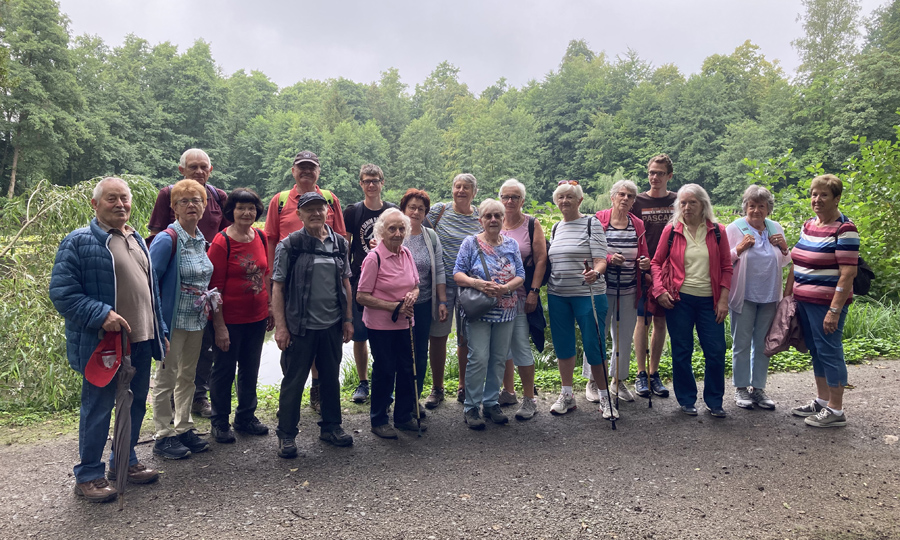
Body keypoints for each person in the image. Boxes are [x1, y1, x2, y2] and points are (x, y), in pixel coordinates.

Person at [50, 177, 167, 502]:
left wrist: (162, 332)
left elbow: (151, 292)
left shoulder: (137, 240)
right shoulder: (79, 242)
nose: (120, 205)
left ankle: (124, 463)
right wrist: (102, 314)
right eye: (112, 199)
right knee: (98, 408)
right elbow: (62, 293)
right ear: (95, 204)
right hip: (104, 344)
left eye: (124, 199)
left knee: (134, 404)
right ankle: (88, 475)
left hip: (141, 340)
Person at [271, 192, 354, 458]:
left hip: (331, 324)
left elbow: (346, 283)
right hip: (300, 326)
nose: (316, 213)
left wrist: (348, 319)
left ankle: (331, 427)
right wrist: (281, 327)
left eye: (321, 209)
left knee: (330, 378)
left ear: (328, 212)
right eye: (310, 210)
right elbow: (278, 287)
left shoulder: (340, 243)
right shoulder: (290, 245)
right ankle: (286, 435)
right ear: (299, 214)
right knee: (294, 381)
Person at [264, 150, 347, 415]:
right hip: (290, 282)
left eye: (312, 168)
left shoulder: (330, 199)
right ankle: (289, 408)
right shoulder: (280, 201)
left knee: (324, 348)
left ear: (318, 172)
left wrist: (347, 313)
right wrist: (271, 287)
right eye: (302, 167)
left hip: (325, 281)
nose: (307, 172)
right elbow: (271, 240)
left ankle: (319, 394)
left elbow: (341, 238)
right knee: (292, 345)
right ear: (293, 171)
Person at [148, 149, 229, 419]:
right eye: (192, 166)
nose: (199, 171)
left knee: (197, 361)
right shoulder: (167, 204)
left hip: (203, 296)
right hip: (176, 301)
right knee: (168, 369)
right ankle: (164, 428)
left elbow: (228, 236)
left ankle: (192, 408)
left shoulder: (219, 198)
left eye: (203, 166)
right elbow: (153, 268)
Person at [148, 179, 219, 458]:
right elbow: (150, 281)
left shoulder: (200, 239)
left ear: (204, 207)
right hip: (172, 319)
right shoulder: (167, 239)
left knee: (188, 376)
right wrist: (158, 323)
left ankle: (184, 427)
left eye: (197, 201)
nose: (191, 205)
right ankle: (163, 435)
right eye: (184, 201)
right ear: (174, 208)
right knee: (166, 377)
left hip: (197, 318)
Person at [651, 184, 732, 417]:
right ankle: (686, 399)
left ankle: (715, 401)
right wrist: (659, 290)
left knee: (716, 350)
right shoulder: (672, 230)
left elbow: (727, 267)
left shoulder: (717, 231)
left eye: (692, 202)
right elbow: (656, 263)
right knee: (682, 349)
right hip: (679, 300)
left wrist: (723, 299)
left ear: (703, 205)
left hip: (710, 300)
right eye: (683, 203)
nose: (686, 207)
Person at [787, 174, 858, 428]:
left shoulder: (845, 229)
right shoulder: (808, 224)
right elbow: (796, 261)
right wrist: (788, 295)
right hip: (804, 302)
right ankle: (822, 400)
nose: (816, 200)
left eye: (823, 195)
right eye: (813, 194)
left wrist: (834, 310)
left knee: (830, 351)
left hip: (826, 304)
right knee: (816, 350)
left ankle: (836, 411)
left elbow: (849, 272)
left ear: (837, 198)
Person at [207, 188, 274, 444]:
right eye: (240, 208)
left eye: (251, 208)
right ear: (231, 212)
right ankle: (220, 421)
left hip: (256, 317)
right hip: (230, 320)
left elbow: (265, 274)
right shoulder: (222, 242)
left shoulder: (259, 235)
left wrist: (268, 308)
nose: (247, 212)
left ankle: (246, 417)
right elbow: (215, 289)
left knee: (250, 368)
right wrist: (220, 326)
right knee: (224, 370)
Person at [546, 181, 615, 420]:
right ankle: (567, 395)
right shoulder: (556, 228)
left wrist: (595, 273)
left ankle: (606, 398)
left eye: (569, 197)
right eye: (561, 197)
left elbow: (601, 259)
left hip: (589, 295)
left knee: (593, 345)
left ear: (579, 200)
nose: (564, 201)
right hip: (558, 295)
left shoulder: (590, 223)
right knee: (563, 346)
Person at [453, 199, 525, 429]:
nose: (493, 220)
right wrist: (478, 284)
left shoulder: (512, 244)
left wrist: (506, 288)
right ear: (480, 220)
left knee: (499, 358)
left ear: (503, 219)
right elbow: (457, 274)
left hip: (506, 311)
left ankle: (491, 402)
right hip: (480, 312)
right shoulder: (470, 243)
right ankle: (471, 406)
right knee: (479, 358)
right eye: (488, 216)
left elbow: (521, 274)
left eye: (497, 215)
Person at [581, 180, 650, 404]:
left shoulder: (637, 224)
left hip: (629, 288)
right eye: (621, 194)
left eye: (630, 196)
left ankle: (617, 381)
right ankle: (592, 381)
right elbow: (588, 251)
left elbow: (644, 252)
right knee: (596, 335)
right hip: (601, 288)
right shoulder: (599, 220)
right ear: (612, 197)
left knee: (623, 337)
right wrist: (609, 259)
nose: (625, 199)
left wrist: (644, 263)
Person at [357, 209, 423, 438]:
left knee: (406, 369)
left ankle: (404, 417)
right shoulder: (373, 258)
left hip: (406, 323)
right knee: (385, 370)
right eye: (392, 228)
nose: (397, 233)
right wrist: (393, 306)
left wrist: (413, 295)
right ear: (381, 231)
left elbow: (415, 284)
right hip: (380, 326)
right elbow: (361, 296)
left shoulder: (406, 254)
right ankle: (379, 419)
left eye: (401, 228)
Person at [725, 185, 791, 410]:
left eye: (761, 206)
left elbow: (784, 260)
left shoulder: (774, 227)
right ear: (745, 207)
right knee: (741, 343)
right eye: (751, 206)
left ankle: (759, 388)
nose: (756, 210)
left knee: (764, 344)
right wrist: (739, 249)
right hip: (743, 295)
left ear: (768, 209)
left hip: (770, 295)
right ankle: (741, 388)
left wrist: (784, 247)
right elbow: (724, 261)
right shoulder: (734, 228)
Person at [424, 173, 482, 408]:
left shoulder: (480, 216)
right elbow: (416, 229)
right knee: (437, 335)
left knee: (466, 337)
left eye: (466, 187)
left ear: (474, 192)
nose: (461, 191)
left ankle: (463, 385)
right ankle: (437, 388)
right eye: (457, 186)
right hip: (441, 284)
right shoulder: (439, 211)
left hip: (470, 286)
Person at [343, 164, 398, 404]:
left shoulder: (392, 211)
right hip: (359, 280)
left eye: (375, 180)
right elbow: (345, 247)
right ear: (361, 184)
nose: (372, 185)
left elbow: (401, 243)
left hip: (388, 282)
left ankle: (385, 382)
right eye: (367, 181)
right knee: (360, 335)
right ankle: (363, 383)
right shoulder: (353, 212)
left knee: (386, 335)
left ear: (382, 183)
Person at [497, 179, 546, 421]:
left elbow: (541, 260)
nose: (509, 201)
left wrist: (534, 291)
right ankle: (508, 391)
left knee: (520, 345)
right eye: (506, 196)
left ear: (522, 200)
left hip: (521, 296)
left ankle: (530, 398)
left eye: (515, 197)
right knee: (502, 347)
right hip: (496, 299)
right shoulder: (494, 220)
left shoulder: (531, 224)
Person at [399, 189, 449, 416]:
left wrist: (442, 301)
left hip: (424, 303)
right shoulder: (396, 232)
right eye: (412, 207)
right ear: (404, 209)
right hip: (397, 306)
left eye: (421, 208)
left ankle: (413, 399)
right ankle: (397, 400)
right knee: (399, 353)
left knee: (420, 353)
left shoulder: (431, 236)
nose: (416, 212)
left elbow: (438, 270)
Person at [631, 154, 676, 399]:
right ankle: (640, 374)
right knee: (642, 320)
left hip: (670, 272)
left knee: (661, 322)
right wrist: (644, 269)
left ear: (669, 176)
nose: (654, 177)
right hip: (642, 269)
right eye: (651, 172)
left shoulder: (678, 200)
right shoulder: (637, 201)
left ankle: (654, 373)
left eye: (660, 173)